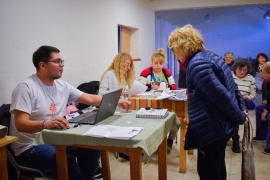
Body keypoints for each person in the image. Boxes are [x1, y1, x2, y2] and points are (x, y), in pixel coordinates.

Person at [9, 45, 131, 180]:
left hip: (55, 139)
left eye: (62, 61)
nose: (62, 65)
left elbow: (90, 98)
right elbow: (20, 124)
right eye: (57, 62)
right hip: (30, 147)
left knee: (93, 147)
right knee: (67, 161)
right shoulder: (26, 87)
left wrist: (116, 101)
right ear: (42, 65)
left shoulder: (62, 85)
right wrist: (46, 124)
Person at [167, 24, 247, 180]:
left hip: (212, 128)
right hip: (220, 125)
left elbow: (221, 97)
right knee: (217, 168)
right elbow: (232, 86)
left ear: (182, 47)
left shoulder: (196, 65)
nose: (174, 53)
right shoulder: (209, 55)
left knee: (208, 172)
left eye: (173, 49)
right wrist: (240, 108)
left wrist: (240, 117)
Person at [231, 58, 256, 153]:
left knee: (236, 121)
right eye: (239, 69)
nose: (242, 72)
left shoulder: (251, 78)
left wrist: (248, 97)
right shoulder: (229, 75)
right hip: (230, 101)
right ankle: (235, 140)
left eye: (244, 70)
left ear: (248, 70)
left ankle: (236, 140)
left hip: (243, 102)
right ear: (235, 69)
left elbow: (253, 94)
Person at [253, 61, 270, 155]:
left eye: (263, 72)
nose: (261, 74)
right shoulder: (266, 81)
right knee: (259, 108)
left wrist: (266, 111)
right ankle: (261, 135)